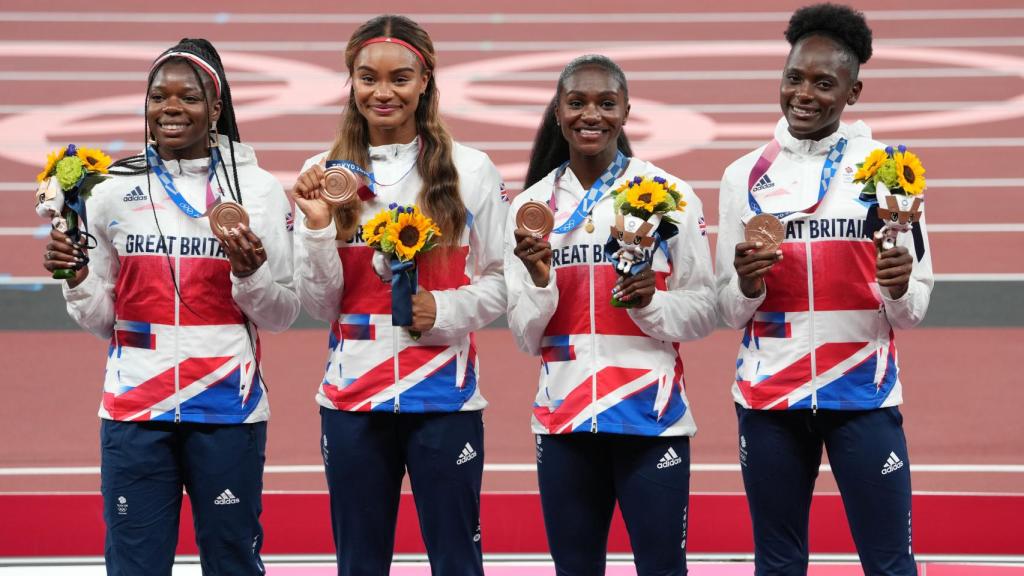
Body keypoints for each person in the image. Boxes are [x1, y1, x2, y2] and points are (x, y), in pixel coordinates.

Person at [42, 38, 299, 575]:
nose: (171, 108)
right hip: (135, 410)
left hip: (227, 408)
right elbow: (100, 321)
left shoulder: (258, 193)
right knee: (134, 566)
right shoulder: (110, 190)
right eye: (159, 96)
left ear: (216, 109)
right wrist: (78, 277)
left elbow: (281, 314)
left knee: (232, 562)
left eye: (189, 97)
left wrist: (250, 273)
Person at [715, 4, 933, 575]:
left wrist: (900, 288)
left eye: (823, 83)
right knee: (779, 565)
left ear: (853, 92)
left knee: (890, 565)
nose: (803, 95)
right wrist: (746, 282)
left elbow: (912, 311)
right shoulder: (745, 176)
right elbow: (728, 309)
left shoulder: (891, 170)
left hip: (862, 393)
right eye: (793, 78)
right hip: (769, 399)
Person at [290, 15, 507, 576]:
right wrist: (316, 229)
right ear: (351, 82)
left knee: (458, 563)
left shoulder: (472, 170)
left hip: (444, 397)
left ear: (426, 81)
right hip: (352, 400)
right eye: (367, 78)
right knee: (359, 565)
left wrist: (448, 310)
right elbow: (319, 305)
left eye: (400, 78)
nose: (382, 93)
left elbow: (504, 280)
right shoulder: (322, 175)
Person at [507, 54, 717, 576]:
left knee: (663, 568)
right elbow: (524, 337)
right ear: (558, 113)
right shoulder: (532, 208)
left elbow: (704, 310)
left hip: (652, 416)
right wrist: (538, 282)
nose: (590, 115)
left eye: (606, 103)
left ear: (626, 112)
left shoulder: (670, 199)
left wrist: (652, 304)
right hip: (564, 420)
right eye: (576, 103)